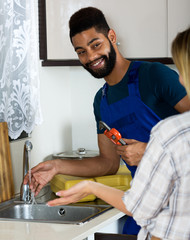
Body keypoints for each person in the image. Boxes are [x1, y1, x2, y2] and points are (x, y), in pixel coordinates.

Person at [24, 7, 190, 235]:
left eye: (95, 45)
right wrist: (58, 166)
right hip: (141, 207)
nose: (90, 57)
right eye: (81, 51)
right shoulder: (100, 102)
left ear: (111, 37)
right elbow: (108, 163)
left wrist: (149, 152)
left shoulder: (154, 76)